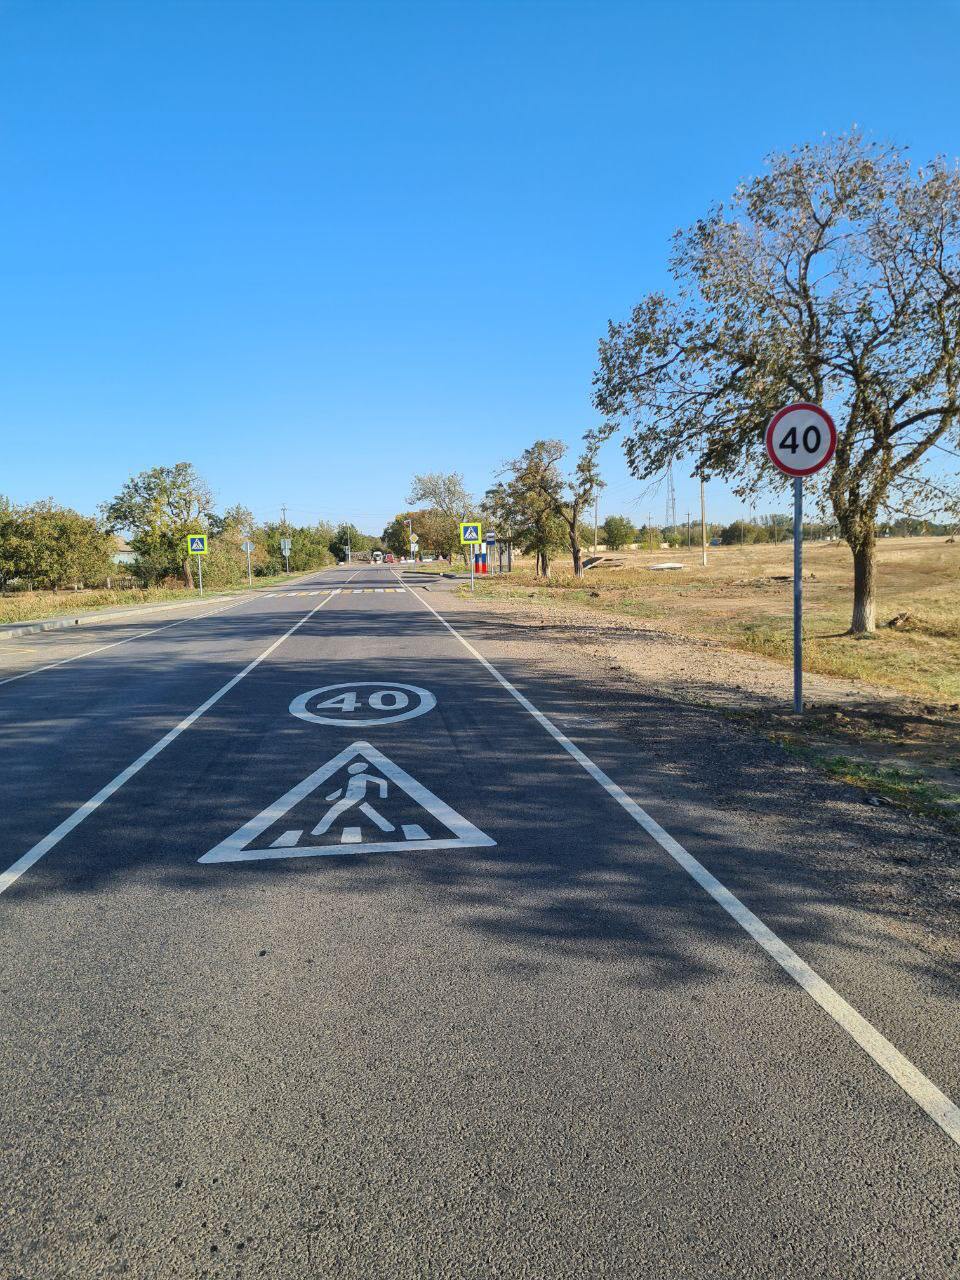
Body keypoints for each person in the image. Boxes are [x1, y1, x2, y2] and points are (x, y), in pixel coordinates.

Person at [312, 762, 395, 835]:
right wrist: (331, 796)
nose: (352, 770)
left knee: (334, 810)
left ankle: (320, 829)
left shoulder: (363, 776)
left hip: (355, 797)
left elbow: (382, 781)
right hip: (351, 797)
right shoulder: (352, 778)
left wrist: (383, 794)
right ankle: (387, 827)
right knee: (370, 812)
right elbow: (343, 790)